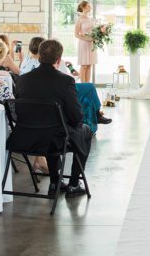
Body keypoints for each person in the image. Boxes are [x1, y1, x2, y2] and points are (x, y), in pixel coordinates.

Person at [12, 40, 92, 197]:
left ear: (39, 56)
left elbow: (19, 112)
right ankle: (74, 184)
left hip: (24, 138)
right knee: (84, 131)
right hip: (54, 138)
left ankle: (55, 182)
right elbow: (76, 117)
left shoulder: (22, 80)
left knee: (50, 128)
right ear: (59, 59)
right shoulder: (66, 81)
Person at [74, 0, 97, 84]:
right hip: (83, 44)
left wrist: (96, 37)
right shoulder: (79, 19)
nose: (90, 7)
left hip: (91, 44)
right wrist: (86, 39)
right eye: (88, 6)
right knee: (84, 65)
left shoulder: (90, 19)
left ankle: (87, 85)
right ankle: (83, 86)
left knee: (89, 65)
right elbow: (76, 34)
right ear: (83, 7)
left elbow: (94, 31)